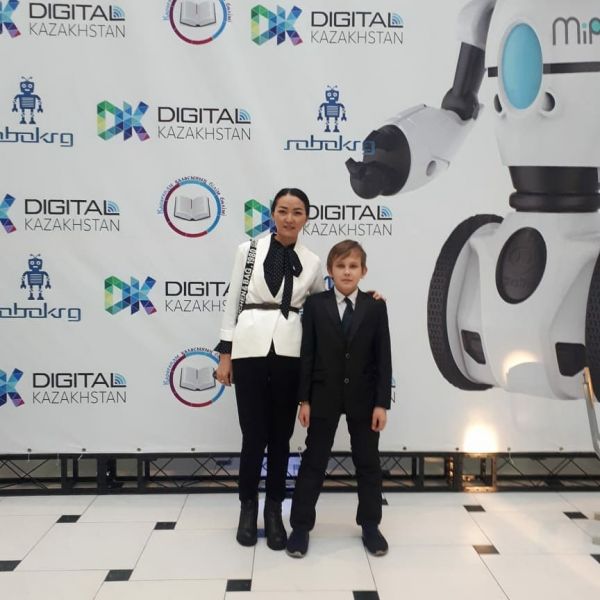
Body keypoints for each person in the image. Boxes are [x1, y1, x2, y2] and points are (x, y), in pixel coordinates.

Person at [214, 188, 324, 551]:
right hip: (248, 348)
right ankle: (248, 507)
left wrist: (364, 298)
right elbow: (231, 302)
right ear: (273, 214)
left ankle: (274, 509)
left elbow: (322, 307)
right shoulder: (247, 251)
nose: (289, 218)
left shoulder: (313, 261)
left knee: (281, 436)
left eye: (297, 212)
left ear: (306, 217)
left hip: (291, 351)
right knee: (253, 435)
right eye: (283, 210)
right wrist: (225, 354)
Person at [286, 239, 392, 558]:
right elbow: (307, 354)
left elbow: (383, 357)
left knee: (368, 463)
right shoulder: (315, 305)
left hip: (364, 398)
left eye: (353, 266)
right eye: (341, 266)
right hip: (323, 395)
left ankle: (370, 525)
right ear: (330, 271)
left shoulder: (375, 306)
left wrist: (381, 403)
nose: (347, 272)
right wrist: (304, 400)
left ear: (363, 271)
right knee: (314, 462)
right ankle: (300, 526)